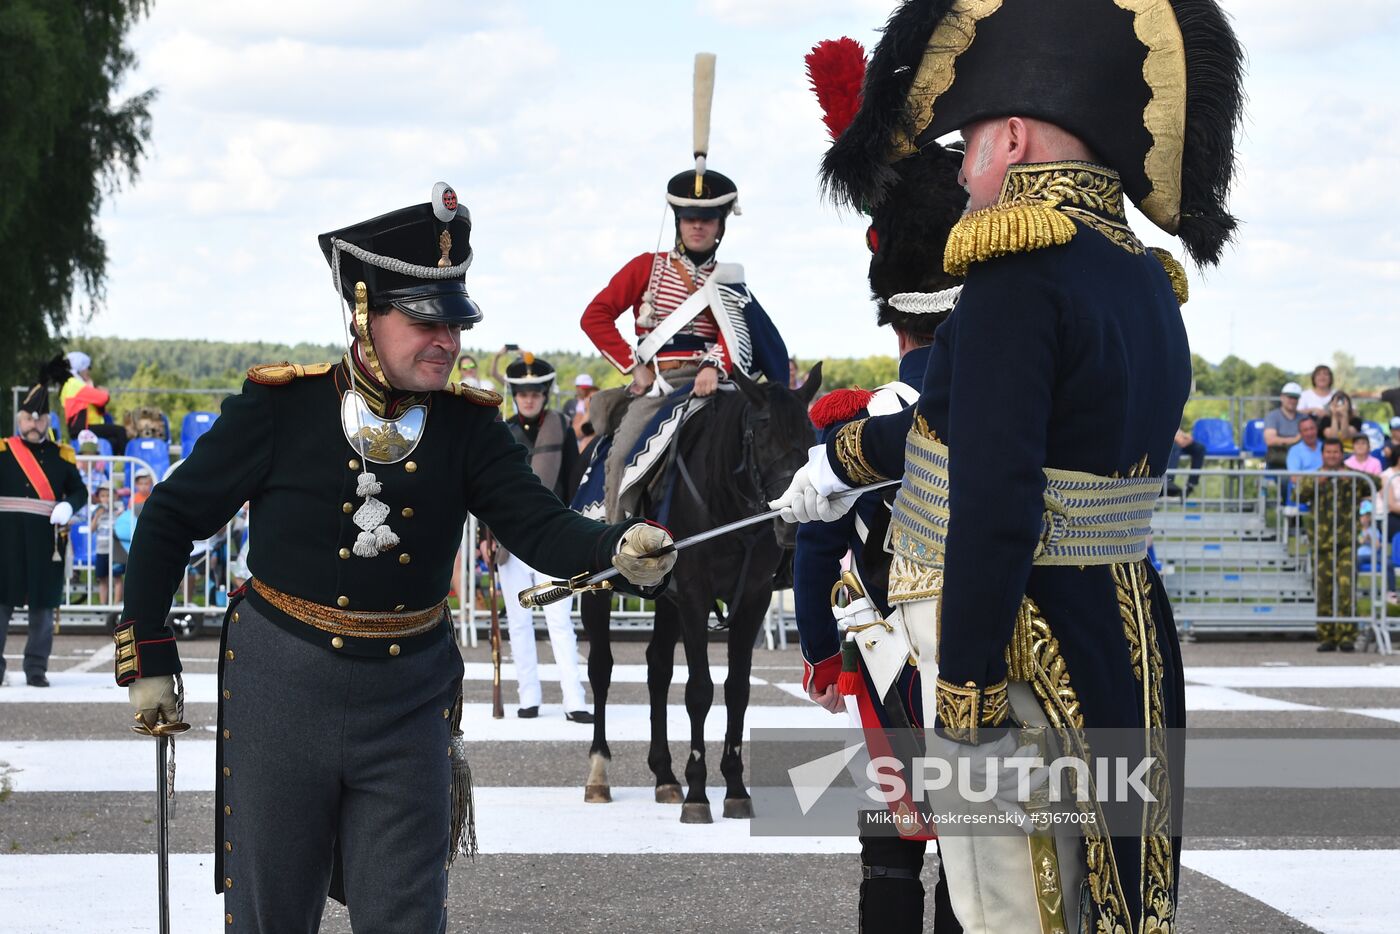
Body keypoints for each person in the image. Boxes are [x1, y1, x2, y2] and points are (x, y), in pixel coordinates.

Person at [774, 1, 1244, 930]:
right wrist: (847, 456)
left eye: (973, 139)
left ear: (1016, 139)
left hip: (1027, 639)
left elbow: (995, 492)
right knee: (1112, 899)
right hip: (1125, 623)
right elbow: (972, 425)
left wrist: (968, 685)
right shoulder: (1142, 276)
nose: (966, 166)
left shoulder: (1014, 271)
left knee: (1014, 907)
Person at [113, 183, 676, 932]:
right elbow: (173, 515)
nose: (448, 339)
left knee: (406, 917)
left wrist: (614, 544)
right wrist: (147, 651)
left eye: (455, 322)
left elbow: (537, 524)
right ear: (362, 312)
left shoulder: (470, 427)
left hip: (409, 699)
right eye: (424, 320)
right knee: (270, 914)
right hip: (284, 689)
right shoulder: (285, 408)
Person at [794, 34, 969, 932]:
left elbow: (818, 543)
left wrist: (823, 645)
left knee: (893, 847)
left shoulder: (850, 426)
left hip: (890, 663)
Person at [580, 54, 788, 521]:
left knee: (770, 446)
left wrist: (715, 366)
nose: (698, 226)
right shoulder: (645, 268)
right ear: (679, 221)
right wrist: (634, 367)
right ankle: (616, 544)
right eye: (691, 218)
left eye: (708, 219)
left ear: (719, 225)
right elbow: (594, 316)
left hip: (717, 381)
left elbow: (736, 335)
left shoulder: (729, 280)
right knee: (619, 458)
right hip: (660, 382)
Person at [495, 352, 593, 722]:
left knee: (559, 621)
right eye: (523, 393)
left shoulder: (561, 428)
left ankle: (574, 701)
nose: (529, 398)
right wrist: (488, 536)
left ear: (545, 394)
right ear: (515, 395)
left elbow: (571, 484)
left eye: (535, 392)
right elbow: (490, 491)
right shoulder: (500, 431)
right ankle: (528, 698)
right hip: (510, 540)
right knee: (519, 624)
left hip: (552, 539)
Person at [0, 357, 87, 687]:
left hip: (45, 542)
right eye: (27, 417)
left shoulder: (61, 455)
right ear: (19, 418)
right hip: (5, 539)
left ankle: (35, 669)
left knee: (42, 610)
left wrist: (68, 503)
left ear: (48, 419)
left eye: (39, 418)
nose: (33, 423)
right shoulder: (3, 451)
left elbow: (79, 491)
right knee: (0, 608)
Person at [1297, 438, 1371, 651]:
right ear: (1323, 455)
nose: (1331, 456)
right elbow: (1297, 494)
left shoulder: (1352, 476)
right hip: (1322, 543)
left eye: (1335, 452)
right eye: (1328, 452)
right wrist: (1315, 483)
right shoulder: (1315, 476)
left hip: (1347, 542)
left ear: (1341, 454)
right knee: (1323, 590)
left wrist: (1356, 478)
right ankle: (1326, 636)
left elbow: (1376, 483)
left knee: (1347, 587)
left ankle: (1347, 635)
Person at [59, 350, 129, 454]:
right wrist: (97, 390)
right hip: (84, 428)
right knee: (121, 431)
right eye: (87, 368)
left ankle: (104, 467)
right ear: (79, 368)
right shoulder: (75, 384)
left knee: (113, 442)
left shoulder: (68, 384)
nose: (89, 371)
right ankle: (128, 465)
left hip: (81, 428)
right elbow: (103, 398)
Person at [1263, 381, 1305, 468]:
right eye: (1290, 397)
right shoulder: (1272, 416)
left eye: (1295, 398)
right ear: (1282, 397)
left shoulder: (1304, 418)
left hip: (1301, 461)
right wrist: (1295, 439)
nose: (1293, 400)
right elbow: (1270, 440)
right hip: (1279, 462)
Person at [1165, 427, 1205, 497]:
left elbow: (1177, 429)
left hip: (1177, 438)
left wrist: (1186, 437)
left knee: (1199, 449)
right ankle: (1169, 481)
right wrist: (1177, 438)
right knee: (1174, 447)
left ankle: (1191, 484)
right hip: (1167, 439)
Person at [1287, 416, 1324, 485]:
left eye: (1312, 428)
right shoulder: (1294, 451)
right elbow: (1294, 478)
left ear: (1317, 429)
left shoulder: (1326, 447)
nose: (1309, 433)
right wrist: (1317, 480)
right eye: (1305, 430)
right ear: (1300, 433)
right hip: (1305, 489)